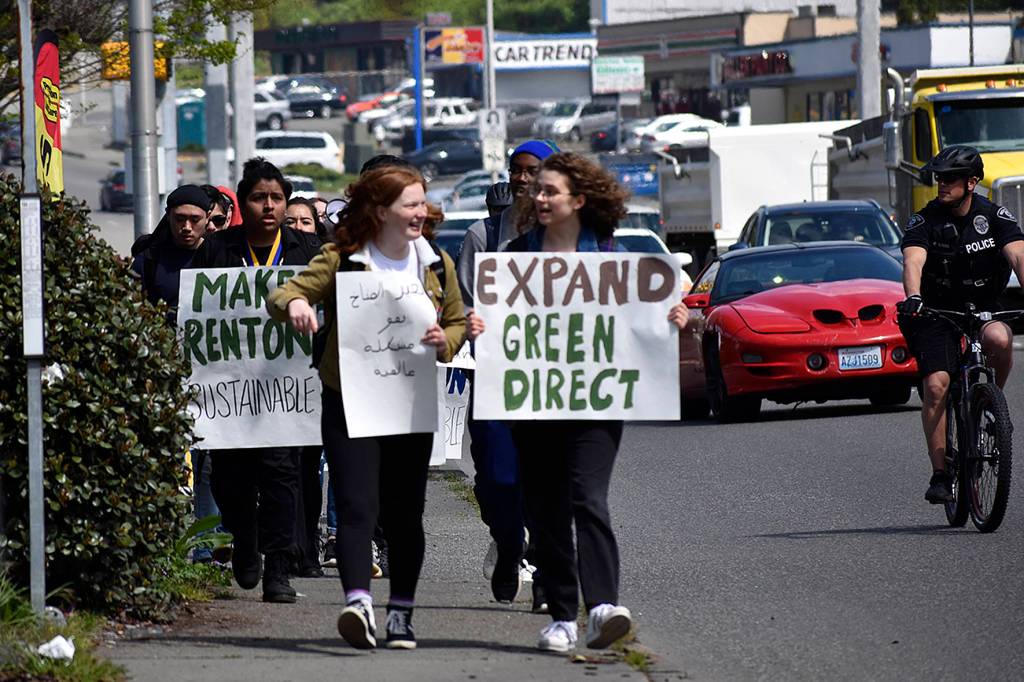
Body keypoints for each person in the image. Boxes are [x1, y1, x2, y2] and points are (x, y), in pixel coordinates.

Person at [466, 152, 689, 653]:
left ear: (579, 200)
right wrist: (481, 325)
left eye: (550, 191)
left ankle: (604, 606)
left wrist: (669, 318)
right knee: (545, 508)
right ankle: (563, 615)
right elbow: (502, 327)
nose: (539, 197)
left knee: (588, 498)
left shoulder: (610, 258)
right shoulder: (515, 258)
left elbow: (641, 320)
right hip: (536, 404)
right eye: (536, 191)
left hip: (594, 402)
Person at [266, 165, 466, 650]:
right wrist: (294, 306)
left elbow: (458, 322)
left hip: (409, 404)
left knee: (403, 515)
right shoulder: (343, 258)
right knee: (356, 506)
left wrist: (447, 340)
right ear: (381, 211)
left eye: (422, 203)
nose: (421, 212)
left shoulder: (436, 263)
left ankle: (400, 612)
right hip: (349, 401)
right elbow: (285, 293)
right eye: (410, 204)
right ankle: (358, 603)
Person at [189, 157, 324, 603]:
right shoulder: (217, 249)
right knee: (229, 479)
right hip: (230, 391)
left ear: (286, 203)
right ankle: (245, 539)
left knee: (283, 475)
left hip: (286, 390)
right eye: (259, 198)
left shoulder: (306, 250)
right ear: (242, 203)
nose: (269, 206)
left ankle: (279, 570)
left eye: (277, 198)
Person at [896, 145, 1024, 503]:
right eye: (939, 177)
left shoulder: (995, 215)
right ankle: (940, 473)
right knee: (937, 387)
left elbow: (1018, 254)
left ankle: (990, 405)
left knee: (999, 337)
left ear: (972, 182)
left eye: (950, 178)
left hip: (982, 305)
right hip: (936, 311)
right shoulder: (925, 220)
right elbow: (913, 262)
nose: (941, 183)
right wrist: (914, 297)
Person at [130, 185, 218, 561]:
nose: (186, 227)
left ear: (207, 220)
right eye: (179, 219)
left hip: (213, 375)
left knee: (210, 463)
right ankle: (166, 547)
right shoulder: (149, 259)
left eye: (194, 220)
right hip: (161, 374)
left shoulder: (220, 258)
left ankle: (207, 547)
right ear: (168, 217)